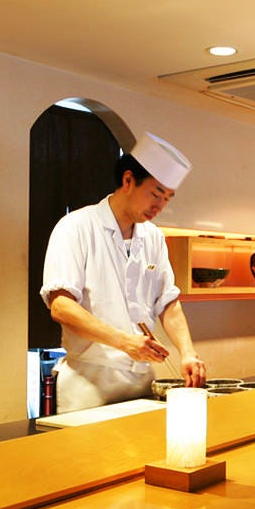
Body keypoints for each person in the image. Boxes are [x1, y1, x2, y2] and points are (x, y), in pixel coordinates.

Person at [40, 132, 207, 412]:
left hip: (141, 381)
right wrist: (125, 342)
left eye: (167, 198)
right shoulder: (76, 227)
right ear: (128, 181)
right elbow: (62, 307)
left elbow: (168, 303)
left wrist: (188, 353)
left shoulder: (153, 237)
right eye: (156, 194)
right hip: (88, 382)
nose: (160, 206)